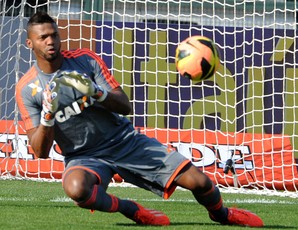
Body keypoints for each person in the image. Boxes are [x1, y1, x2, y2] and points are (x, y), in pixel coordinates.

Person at [16, 12, 264, 227]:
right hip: (85, 156)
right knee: (76, 189)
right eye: (43, 37)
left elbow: (125, 105)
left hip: (124, 141)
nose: (51, 41)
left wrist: (96, 92)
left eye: (54, 35)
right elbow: (40, 152)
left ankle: (222, 214)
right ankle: (131, 209)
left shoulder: (85, 59)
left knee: (200, 183)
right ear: (30, 43)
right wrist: (48, 116)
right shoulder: (27, 89)